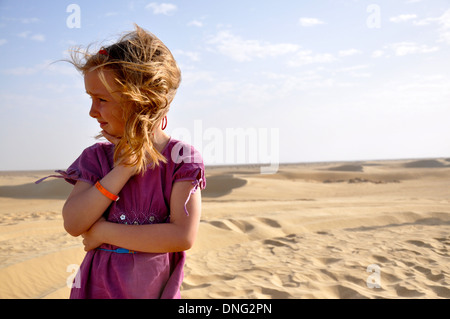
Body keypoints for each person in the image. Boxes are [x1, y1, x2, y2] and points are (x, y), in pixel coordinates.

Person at [38, 25, 206, 298]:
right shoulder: (96, 158)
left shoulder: (181, 160)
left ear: (141, 101)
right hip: (97, 289)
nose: (92, 112)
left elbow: (182, 236)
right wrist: (123, 170)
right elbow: (74, 222)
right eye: (91, 99)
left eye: (101, 99)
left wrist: (103, 231)